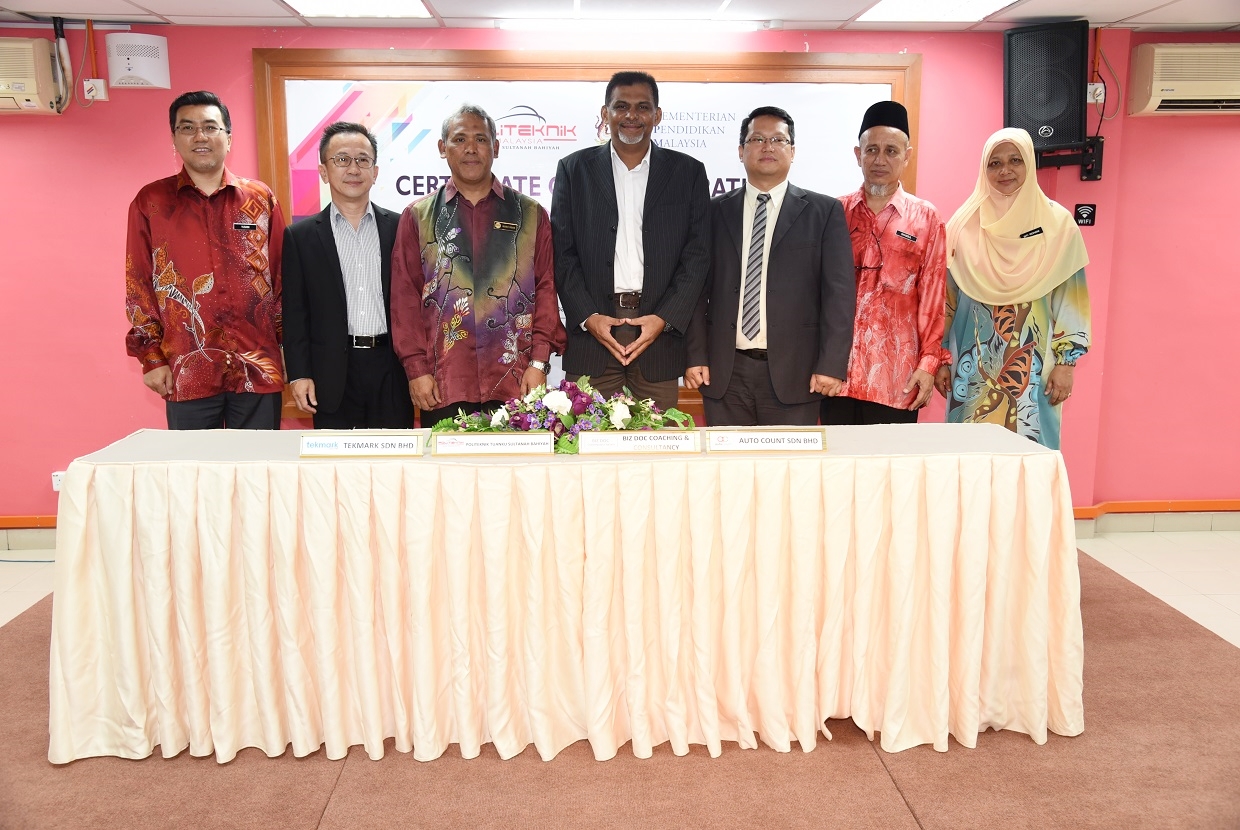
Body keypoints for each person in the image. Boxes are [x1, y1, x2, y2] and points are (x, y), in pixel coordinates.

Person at [390, 104, 566, 427]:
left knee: (518, 462)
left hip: (517, 381)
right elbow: (405, 299)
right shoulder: (418, 217)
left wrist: (539, 363)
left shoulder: (530, 215)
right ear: (442, 147)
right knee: (446, 462)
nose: (471, 148)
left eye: (481, 139)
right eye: (459, 139)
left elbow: (546, 291)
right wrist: (416, 370)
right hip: (443, 383)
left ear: (495, 147)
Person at [124, 91, 286, 430]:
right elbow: (138, 282)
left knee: (258, 462)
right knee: (193, 463)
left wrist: (289, 350)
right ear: (174, 138)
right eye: (187, 128)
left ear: (229, 137)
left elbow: (283, 278)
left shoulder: (260, 198)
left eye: (210, 127)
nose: (200, 136)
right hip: (185, 367)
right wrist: (150, 356)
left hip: (257, 365)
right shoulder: (151, 202)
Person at [684, 106, 855, 426]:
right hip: (724, 374)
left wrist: (831, 364)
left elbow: (839, 297)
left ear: (793, 151)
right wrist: (695, 355)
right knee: (728, 459)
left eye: (778, 140)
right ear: (741, 151)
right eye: (757, 139)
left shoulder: (823, 212)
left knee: (789, 460)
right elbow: (694, 290)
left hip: (797, 373)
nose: (767, 146)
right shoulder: (713, 212)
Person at [550, 71, 710, 412]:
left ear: (657, 115)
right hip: (592, 337)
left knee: (656, 438)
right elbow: (562, 253)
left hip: (659, 337)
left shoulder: (688, 172)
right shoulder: (573, 170)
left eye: (643, 107)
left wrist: (664, 318)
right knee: (587, 437)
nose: (632, 115)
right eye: (621, 106)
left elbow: (697, 255)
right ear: (605, 113)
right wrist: (588, 317)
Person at [934, 127, 1091, 449]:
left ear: (1029, 163)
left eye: (1015, 160)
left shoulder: (1058, 225)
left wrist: (1067, 363)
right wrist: (941, 357)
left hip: (1034, 368)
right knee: (969, 453)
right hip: (972, 366)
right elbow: (946, 301)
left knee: (1030, 452)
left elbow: (1071, 300)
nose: (1005, 170)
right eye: (994, 163)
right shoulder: (962, 225)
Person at [821, 101, 947, 426]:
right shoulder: (834, 213)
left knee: (891, 460)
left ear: (907, 156)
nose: (880, 160)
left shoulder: (926, 219)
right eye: (872, 150)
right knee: (838, 458)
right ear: (857, 154)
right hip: (836, 377)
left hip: (896, 380)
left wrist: (928, 364)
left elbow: (933, 301)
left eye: (891, 151)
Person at [282, 122, 413, 429]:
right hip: (331, 373)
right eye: (341, 159)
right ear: (324, 171)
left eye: (362, 160)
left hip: (392, 369)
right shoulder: (300, 236)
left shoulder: (401, 228)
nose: (353, 169)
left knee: (394, 456)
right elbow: (294, 313)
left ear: (375, 172)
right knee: (337, 459)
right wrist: (299, 374)